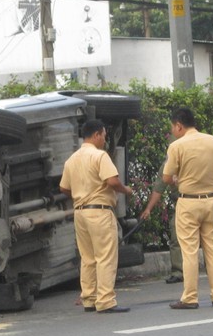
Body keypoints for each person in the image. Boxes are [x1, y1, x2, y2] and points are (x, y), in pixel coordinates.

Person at [59, 119, 133, 314]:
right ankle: (106, 300)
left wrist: (80, 194)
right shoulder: (100, 156)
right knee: (106, 256)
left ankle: (89, 298)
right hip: (99, 210)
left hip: (80, 212)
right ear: (97, 134)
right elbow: (112, 181)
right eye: (104, 136)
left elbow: (64, 187)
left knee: (88, 257)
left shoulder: (72, 159)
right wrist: (125, 190)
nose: (105, 141)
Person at [162, 107, 213, 309]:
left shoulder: (177, 146)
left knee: (190, 252)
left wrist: (178, 181)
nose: (173, 131)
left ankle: (190, 298)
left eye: (173, 128)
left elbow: (166, 177)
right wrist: (212, 185)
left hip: (188, 202)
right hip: (212, 200)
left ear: (178, 125)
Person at [140, 161, 184, 284]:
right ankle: (178, 272)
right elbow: (159, 187)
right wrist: (148, 209)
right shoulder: (168, 164)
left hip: (200, 199)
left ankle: (212, 270)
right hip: (182, 202)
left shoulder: (195, 156)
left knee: (207, 239)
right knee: (176, 236)